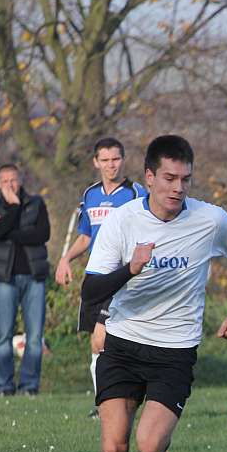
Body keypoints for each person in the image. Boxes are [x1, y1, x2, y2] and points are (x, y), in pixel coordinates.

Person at [81, 135, 227, 452]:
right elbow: (91, 292)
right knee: (112, 448)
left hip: (174, 353)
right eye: (169, 178)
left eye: (185, 179)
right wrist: (131, 267)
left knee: (146, 445)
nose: (178, 187)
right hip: (123, 344)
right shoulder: (122, 222)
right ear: (148, 178)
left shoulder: (209, 219)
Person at [56, 137, 147, 417]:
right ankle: (105, 403)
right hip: (97, 277)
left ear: (123, 159)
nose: (111, 165)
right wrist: (66, 258)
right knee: (97, 344)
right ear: (96, 162)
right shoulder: (91, 194)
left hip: (123, 278)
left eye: (116, 159)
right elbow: (86, 235)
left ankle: (117, 400)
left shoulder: (135, 193)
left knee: (104, 339)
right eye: (105, 160)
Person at [0, 164, 50, 396]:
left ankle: (30, 385)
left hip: (34, 277)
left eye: (13, 180)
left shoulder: (37, 204)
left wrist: (11, 233)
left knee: (34, 336)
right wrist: (13, 207)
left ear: (20, 181)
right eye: (4, 181)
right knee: (3, 334)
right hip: (4, 278)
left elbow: (43, 235)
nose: (9, 185)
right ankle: (4, 385)